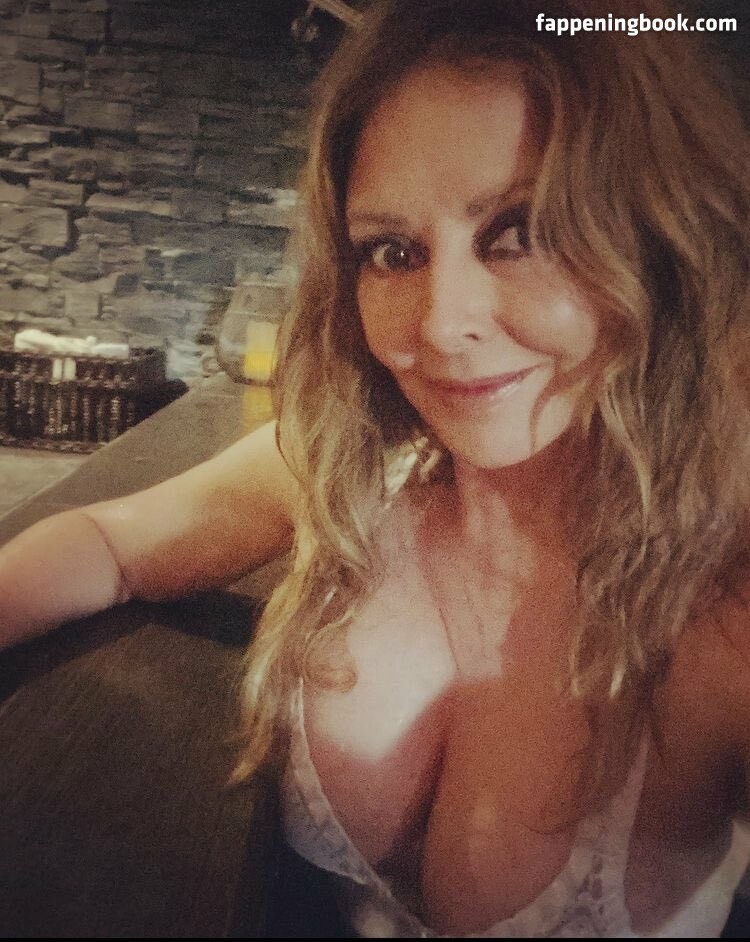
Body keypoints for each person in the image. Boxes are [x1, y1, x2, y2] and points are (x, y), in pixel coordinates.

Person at [1, 0, 748, 935]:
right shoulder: (359, 468)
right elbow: (111, 546)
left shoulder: (721, 609)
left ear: (659, 241)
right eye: (393, 252)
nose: (440, 322)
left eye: (520, 231)